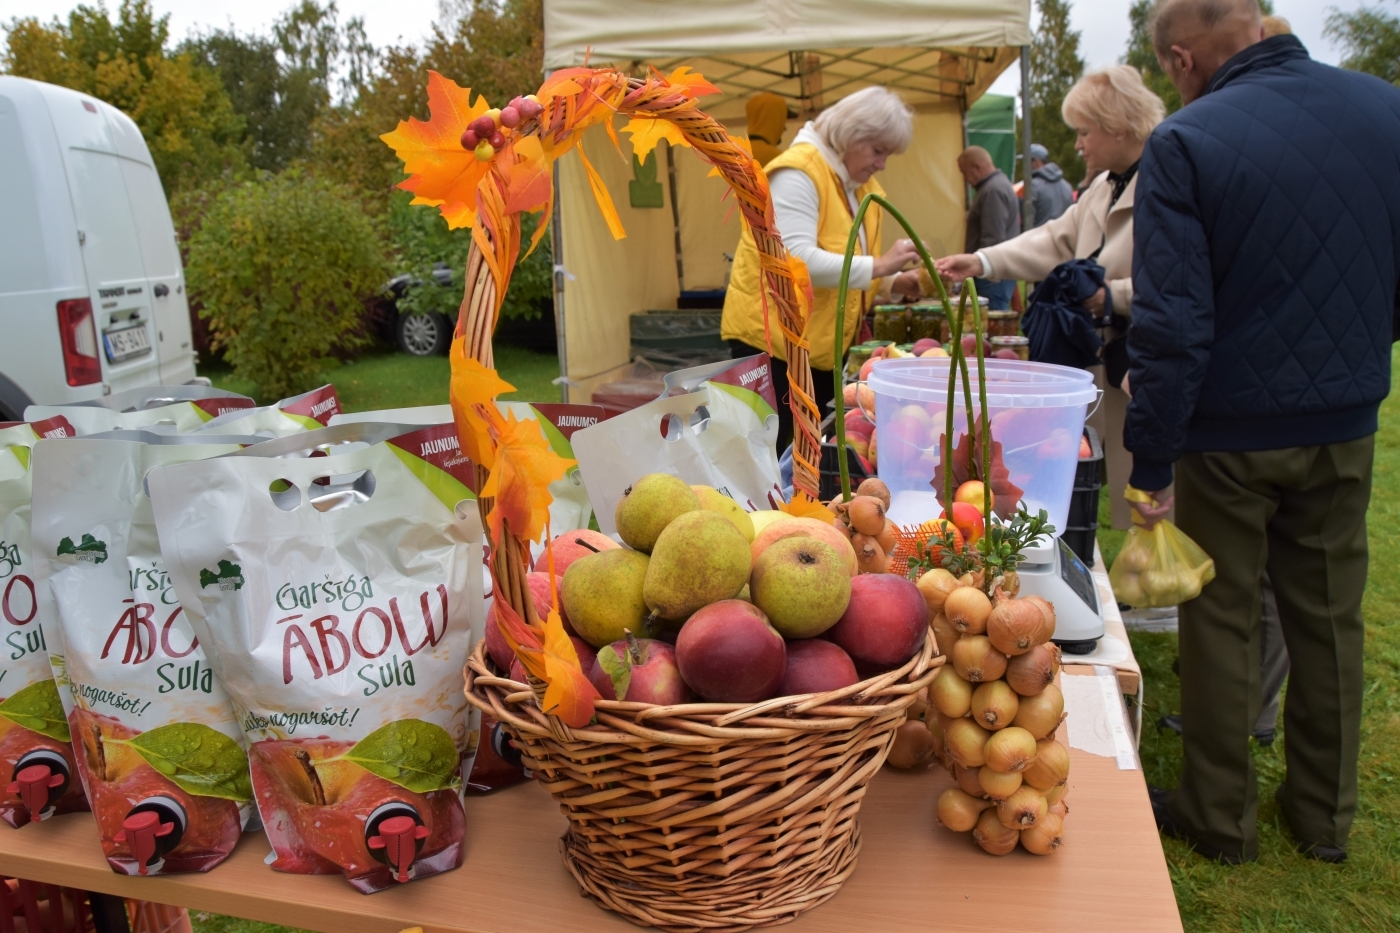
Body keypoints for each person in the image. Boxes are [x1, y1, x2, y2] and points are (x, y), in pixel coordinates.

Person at [1126, 0, 1400, 864]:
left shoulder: (1185, 140)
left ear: (1180, 57)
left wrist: (1154, 457)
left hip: (1228, 434)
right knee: (1328, 618)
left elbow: (1172, 325)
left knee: (1222, 621)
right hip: (1345, 418)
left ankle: (1218, 814)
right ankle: (1323, 817)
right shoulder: (1385, 108)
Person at [936, 67, 1166, 528]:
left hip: (1151, 355)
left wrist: (1113, 297)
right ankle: (1132, 569)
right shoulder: (1104, 186)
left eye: (1085, 132)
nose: (1079, 145)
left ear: (1119, 126)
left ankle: (1156, 583)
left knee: (1152, 486)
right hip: (1104, 351)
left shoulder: (1165, 183)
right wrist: (982, 261)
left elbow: (1180, 280)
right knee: (1116, 468)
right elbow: (1052, 240)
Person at [722, 86, 922, 453]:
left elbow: (845, 262)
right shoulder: (798, 173)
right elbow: (796, 260)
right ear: (851, 135)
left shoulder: (854, 184)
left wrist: (893, 282)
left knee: (807, 454)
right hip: (774, 347)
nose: (882, 164)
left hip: (813, 346)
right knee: (769, 454)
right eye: (878, 150)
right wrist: (880, 265)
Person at [956, 146, 1019, 310]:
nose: (965, 180)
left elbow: (993, 238)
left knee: (990, 324)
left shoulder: (992, 191)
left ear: (976, 167)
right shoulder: (997, 185)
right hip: (995, 273)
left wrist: (978, 266)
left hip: (991, 277)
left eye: (964, 173)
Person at [1029, 143, 1074, 227]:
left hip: (1039, 238)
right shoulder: (1067, 186)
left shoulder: (1033, 186)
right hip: (1064, 238)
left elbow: (1028, 221)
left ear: (1036, 162)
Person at [746, 92, 788, 167]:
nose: (784, 128)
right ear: (773, 120)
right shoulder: (774, 157)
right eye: (781, 120)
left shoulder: (738, 153)